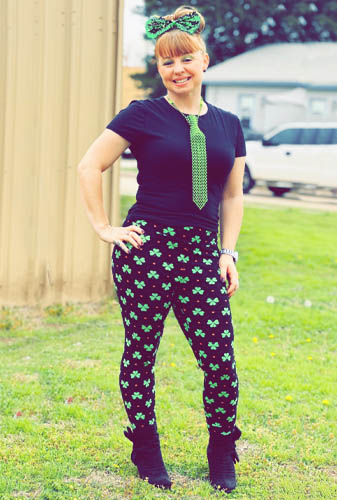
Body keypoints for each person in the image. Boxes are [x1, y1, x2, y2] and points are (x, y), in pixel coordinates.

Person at [77, 5, 246, 493]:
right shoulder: (141, 114)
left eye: (186, 58)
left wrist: (227, 252)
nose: (177, 69)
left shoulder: (229, 124)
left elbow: (232, 195)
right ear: (160, 68)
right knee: (141, 352)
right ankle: (146, 449)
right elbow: (90, 167)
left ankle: (221, 450)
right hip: (146, 250)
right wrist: (105, 227)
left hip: (199, 255)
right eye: (167, 62)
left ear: (205, 61)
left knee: (219, 357)